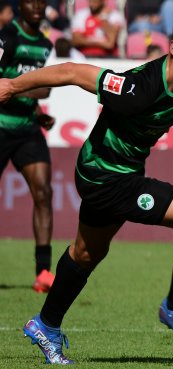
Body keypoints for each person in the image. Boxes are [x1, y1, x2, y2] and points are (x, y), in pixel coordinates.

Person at [0, 10, 173, 364]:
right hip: (104, 176)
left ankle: (46, 325)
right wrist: (11, 85)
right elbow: (72, 72)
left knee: (87, 254)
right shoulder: (138, 89)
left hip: (121, 172)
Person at [0, 0, 55, 293]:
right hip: (0, 124)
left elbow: (36, 90)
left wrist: (37, 112)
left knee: (44, 193)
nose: (36, 5)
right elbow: (40, 86)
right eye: (29, 1)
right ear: (19, 5)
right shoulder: (7, 37)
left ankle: (43, 272)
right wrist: (36, 88)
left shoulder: (45, 45)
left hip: (26, 128)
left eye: (41, 1)